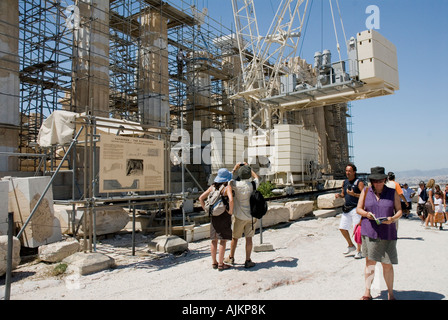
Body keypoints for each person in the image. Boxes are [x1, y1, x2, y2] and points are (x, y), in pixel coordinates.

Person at [356, 166, 402, 300]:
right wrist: (366, 214)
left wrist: (392, 219)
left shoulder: (392, 192)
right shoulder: (365, 191)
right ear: (371, 181)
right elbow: (359, 209)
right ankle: (367, 292)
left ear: (385, 180)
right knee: (370, 264)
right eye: (375, 181)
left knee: (387, 264)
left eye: (380, 180)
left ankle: (390, 293)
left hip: (387, 232)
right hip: (370, 232)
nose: (378, 183)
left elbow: (399, 211)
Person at [224, 162, 260, 268]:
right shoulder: (253, 185)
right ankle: (248, 260)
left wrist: (234, 168)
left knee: (235, 238)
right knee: (249, 239)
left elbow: (227, 181)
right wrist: (249, 168)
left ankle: (231, 257)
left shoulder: (236, 184)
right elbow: (256, 177)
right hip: (251, 217)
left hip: (239, 216)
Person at [199, 168, 234, 271]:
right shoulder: (227, 188)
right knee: (222, 240)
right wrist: (231, 211)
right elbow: (231, 200)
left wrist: (206, 209)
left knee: (213, 240)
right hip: (223, 215)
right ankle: (221, 264)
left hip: (213, 216)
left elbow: (201, 198)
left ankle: (214, 262)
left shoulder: (212, 187)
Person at [335, 163, 365, 259]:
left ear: (354, 172)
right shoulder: (345, 182)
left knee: (357, 231)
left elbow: (365, 195)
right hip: (347, 209)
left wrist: (354, 194)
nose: (347, 173)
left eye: (349, 171)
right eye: (346, 171)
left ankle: (359, 251)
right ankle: (351, 245)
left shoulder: (359, 182)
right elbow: (344, 194)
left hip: (356, 209)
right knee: (342, 228)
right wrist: (339, 195)